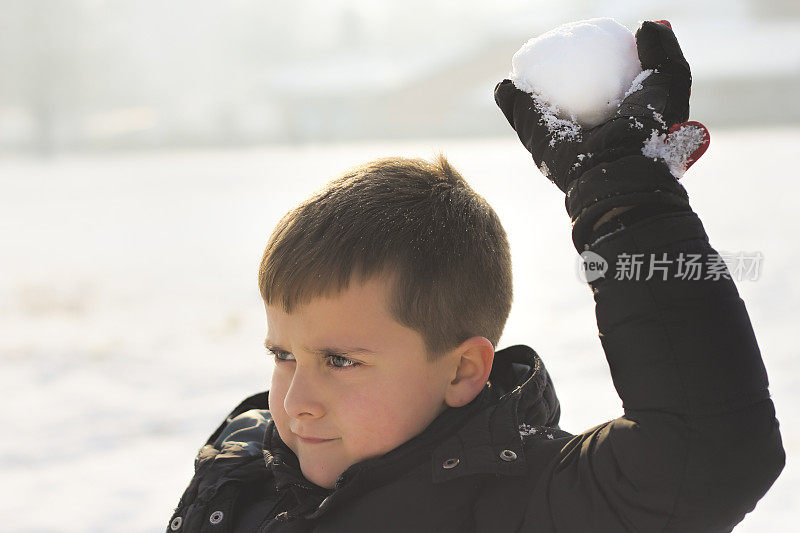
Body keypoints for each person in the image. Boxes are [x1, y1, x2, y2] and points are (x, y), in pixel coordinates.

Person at [167, 21, 784, 532]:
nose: (295, 404)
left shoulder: (526, 507)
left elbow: (708, 453)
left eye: (340, 360)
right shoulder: (240, 472)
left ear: (463, 370)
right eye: (283, 355)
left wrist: (624, 199)